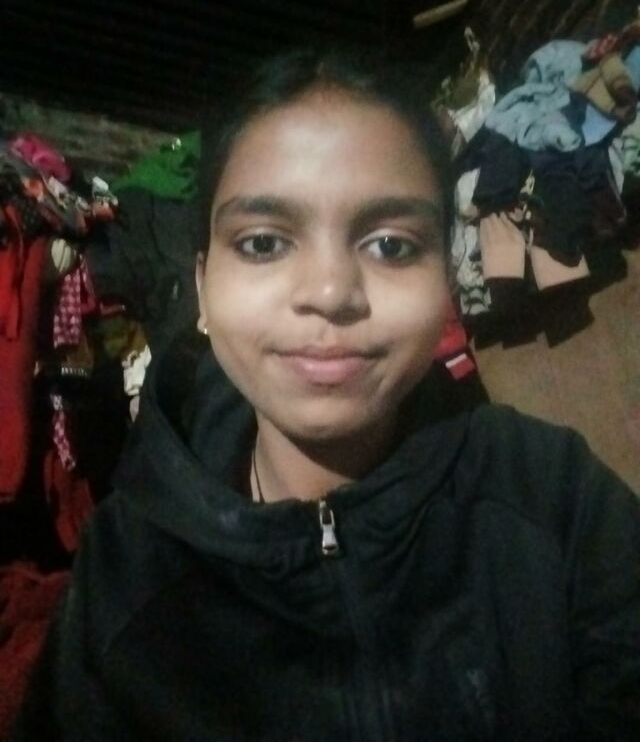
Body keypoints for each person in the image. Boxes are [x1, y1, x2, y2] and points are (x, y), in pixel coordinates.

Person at [13, 49, 640, 741]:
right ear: (203, 288)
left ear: (445, 281)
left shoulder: (551, 492)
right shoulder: (126, 568)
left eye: (391, 246)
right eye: (262, 243)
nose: (330, 292)